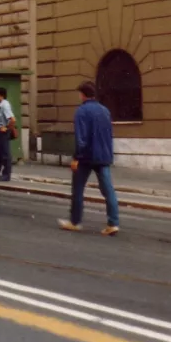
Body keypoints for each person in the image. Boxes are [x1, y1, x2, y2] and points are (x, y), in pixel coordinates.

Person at [58, 81, 120, 235]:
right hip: (103, 156)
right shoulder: (105, 110)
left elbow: (81, 138)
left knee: (78, 189)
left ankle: (75, 221)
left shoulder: (81, 111)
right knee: (108, 190)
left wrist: (76, 157)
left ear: (82, 95)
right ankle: (113, 223)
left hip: (86, 157)